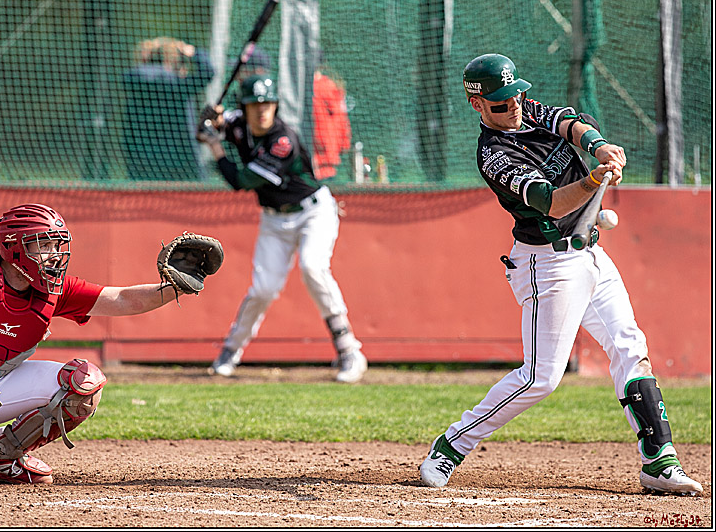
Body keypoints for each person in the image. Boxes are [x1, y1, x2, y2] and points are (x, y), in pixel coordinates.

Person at [418, 54, 702, 496]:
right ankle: (452, 444)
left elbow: (570, 122)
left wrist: (600, 146)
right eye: (499, 102)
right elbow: (551, 202)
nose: (512, 105)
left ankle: (658, 462)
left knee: (630, 346)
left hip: (590, 254)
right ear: (477, 105)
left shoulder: (527, 110)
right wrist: (593, 181)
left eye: (515, 95)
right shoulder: (494, 155)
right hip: (547, 265)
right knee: (541, 377)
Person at [0, 204, 222, 486]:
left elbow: (122, 300)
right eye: (43, 244)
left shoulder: (53, 289)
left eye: (56, 245)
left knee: (86, 383)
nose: (54, 254)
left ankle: (4, 457)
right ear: (11, 248)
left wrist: (173, 287)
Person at [198, 75, 367, 383]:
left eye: (268, 104)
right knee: (263, 289)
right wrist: (212, 120)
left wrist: (214, 145)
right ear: (246, 108)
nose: (263, 110)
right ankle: (231, 350)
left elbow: (240, 181)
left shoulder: (282, 140)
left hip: (313, 212)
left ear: (275, 105)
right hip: (274, 220)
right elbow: (224, 123)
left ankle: (349, 351)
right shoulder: (240, 123)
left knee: (312, 268)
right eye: (256, 105)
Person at [122, 37, 214, 181]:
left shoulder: (135, 79)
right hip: (181, 163)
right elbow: (208, 72)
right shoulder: (177, 86)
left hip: (140, 161)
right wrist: (195, 53)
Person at [311, 64, 352, 181]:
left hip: (321, 159)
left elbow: (340, 118)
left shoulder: (320, 87)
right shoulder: (328, 85)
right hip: (322, 158)